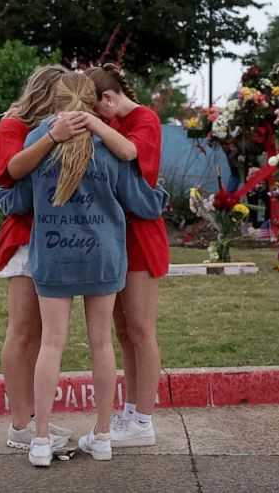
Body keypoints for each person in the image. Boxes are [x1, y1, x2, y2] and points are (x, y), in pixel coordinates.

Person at [0, 72, 169, 467]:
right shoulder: (107, 141)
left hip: (53, 254)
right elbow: (141, 202)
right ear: (93, 102)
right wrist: (160, 197)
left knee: (52, 344)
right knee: (102, 343)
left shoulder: (39, 138)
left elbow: (16, 199)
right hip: (103, 255)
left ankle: (39, 441)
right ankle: (104, 436)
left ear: (55, 101)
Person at [0, 65, 87, 451]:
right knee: (24, 330)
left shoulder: (56, 126)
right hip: (26, 238)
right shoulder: (13, 126)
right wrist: (51, 136)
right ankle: (20, 425)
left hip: (54, 237)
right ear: (47, 93)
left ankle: (32, 418)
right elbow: (9, 172)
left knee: (41, 336)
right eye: (62, 94)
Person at [79, 64, 169, 448]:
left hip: (141, 237)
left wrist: (93, 123)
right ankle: (131, 412)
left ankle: (142, 420)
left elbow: (131, 152)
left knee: (141, 330)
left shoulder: (143, 118)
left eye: (97, 110)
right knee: (123, 331)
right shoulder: (113, 121)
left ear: (109, 98)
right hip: (116, 236)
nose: (97, 120)